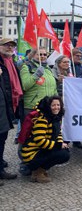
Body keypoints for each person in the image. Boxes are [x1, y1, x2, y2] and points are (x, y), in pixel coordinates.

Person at [21, 96, 70, 183]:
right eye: (53, 105)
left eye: (58, 105)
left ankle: (39, 170)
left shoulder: (55, 117)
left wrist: (60, 143)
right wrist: (58, 145)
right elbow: (40, 141)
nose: (56, 107)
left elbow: (57, 133)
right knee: (63, 154)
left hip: (41, 150)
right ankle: (37, 172)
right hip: (31, 153)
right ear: (48, 106)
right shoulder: (42, 119)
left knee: (65, 152)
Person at [0, 38, 21, 184]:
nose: (9, 47)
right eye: (6, 45)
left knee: (2, 138)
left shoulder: (10, 62)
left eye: (12, 45)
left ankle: (0, 166)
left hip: (5, 105)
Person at [20, 47, 58, 119]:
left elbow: (53, 88)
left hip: (47, 106)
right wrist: (36, 75)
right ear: (33, 55)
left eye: (44, 54)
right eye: (39, 54)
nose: (42, 56)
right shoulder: (27, 67)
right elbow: (25, 85)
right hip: (33, 107)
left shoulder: (48, 69)